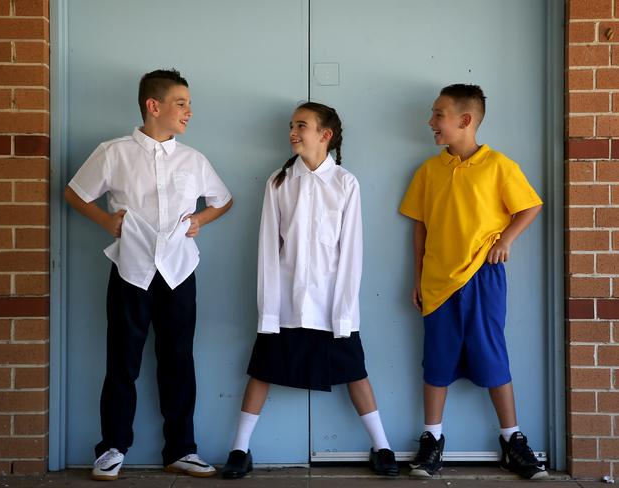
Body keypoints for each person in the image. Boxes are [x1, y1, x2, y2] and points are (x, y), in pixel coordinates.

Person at [64, 68, 233, 480]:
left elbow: (223, 200)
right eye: (181, 103)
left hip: (179, 271)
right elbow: (73, 192)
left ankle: (181, 450)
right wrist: (106, 222)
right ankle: (112, 448)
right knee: (123, 360)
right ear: (152, 106)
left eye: (189, 104)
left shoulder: (194, 160)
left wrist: (200, 220)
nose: (189, 112)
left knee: (179, 359)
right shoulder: (114, 151)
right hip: (131, 269)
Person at [221, 102, 399, 479]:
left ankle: (382, 446)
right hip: (285, 300)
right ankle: (239, 448)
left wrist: (345, 311)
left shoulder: (346, 183)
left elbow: (351, 254)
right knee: (261, 370)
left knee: (355, 372)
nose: (293, 131)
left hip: (331, 303)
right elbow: (269, 249)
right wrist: (268, 309)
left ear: (325, 135)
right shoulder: (279, 182)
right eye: (291, 125)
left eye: (301, 125)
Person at [399, 84, 546, 480]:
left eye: (438, 115)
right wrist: (417, 278)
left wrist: (505, 240)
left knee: (492, 354)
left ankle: (512, 440)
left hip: (484, 276)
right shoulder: (428, 171)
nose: (431, 122)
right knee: (438, 359)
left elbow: (529, 206)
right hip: (437, 282)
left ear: (465, 120)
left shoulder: (499, 165)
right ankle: (432, 439)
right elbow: (420, 229)